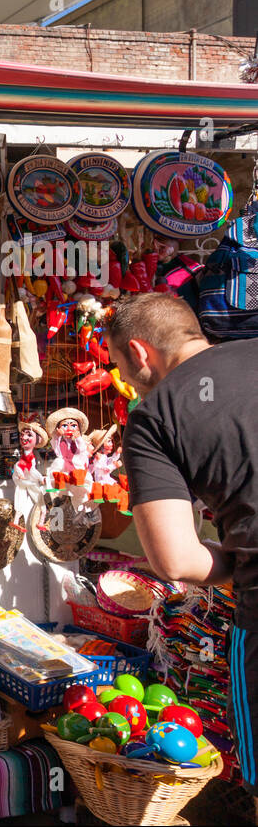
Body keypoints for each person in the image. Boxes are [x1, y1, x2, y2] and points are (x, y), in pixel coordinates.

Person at [106, 292, 258, 798]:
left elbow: (176, 559)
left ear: (140, 351)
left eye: (119, 367)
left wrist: (236, 560)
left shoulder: (154, 418)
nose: (124, 381)